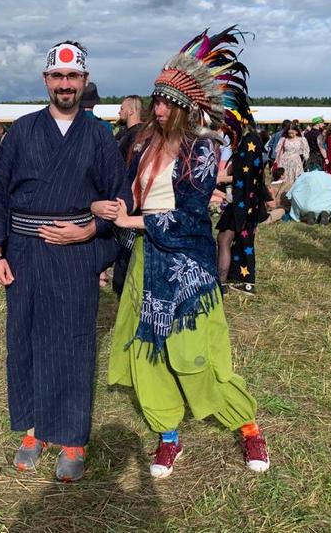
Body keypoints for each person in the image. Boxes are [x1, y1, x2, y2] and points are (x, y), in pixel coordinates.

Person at [0, 40, 130, 482]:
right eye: (57, 76)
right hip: (23, 251)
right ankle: (34, 428)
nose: (65, 84)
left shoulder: (99, 136)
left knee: (73, 342)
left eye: (73, 76)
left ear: (85, 81)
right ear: (45, 80)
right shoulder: (21, 131)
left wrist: (90, 230)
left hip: (74, 251)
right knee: (25, 339)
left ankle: (72, 437)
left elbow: (119, 197)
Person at [107, 27, 269, 479]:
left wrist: (131, 222)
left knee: (197, 354)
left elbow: (190, 214)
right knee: (148, 352)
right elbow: (134, 195)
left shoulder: (202, 148)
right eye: (156, 100)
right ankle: (168, 436)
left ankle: (248, 426)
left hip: (188, 266)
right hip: (146, 260)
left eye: (167, 103)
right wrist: (116, 208)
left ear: (185, 107)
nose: (158, 109)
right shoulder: (144, 143)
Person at [216, 120, 267, 295]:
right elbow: (235, 169)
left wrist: (219, 179)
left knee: (224, 238)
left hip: (243, 201)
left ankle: (222, 284)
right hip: (246, 200)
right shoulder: (246, 141)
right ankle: (244, 282)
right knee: (242, 240)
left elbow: (245, 176)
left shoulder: (249, 142)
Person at [273, 124, 309, 189]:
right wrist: (277, 161)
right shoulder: (284, 139)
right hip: (284, 161)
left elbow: (306, 150)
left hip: (296, 162)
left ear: (296, 132)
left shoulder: (302, 139)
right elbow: (278, 150)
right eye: (289, 133)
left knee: (297, 180)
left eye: (292, 133)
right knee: (285, 179)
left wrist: (305, 157)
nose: (291, 134)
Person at [115, 95, 146, 161]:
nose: (119, 112)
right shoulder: (122, 132)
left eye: (122, 109)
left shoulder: (139, 134)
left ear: (131, 111)